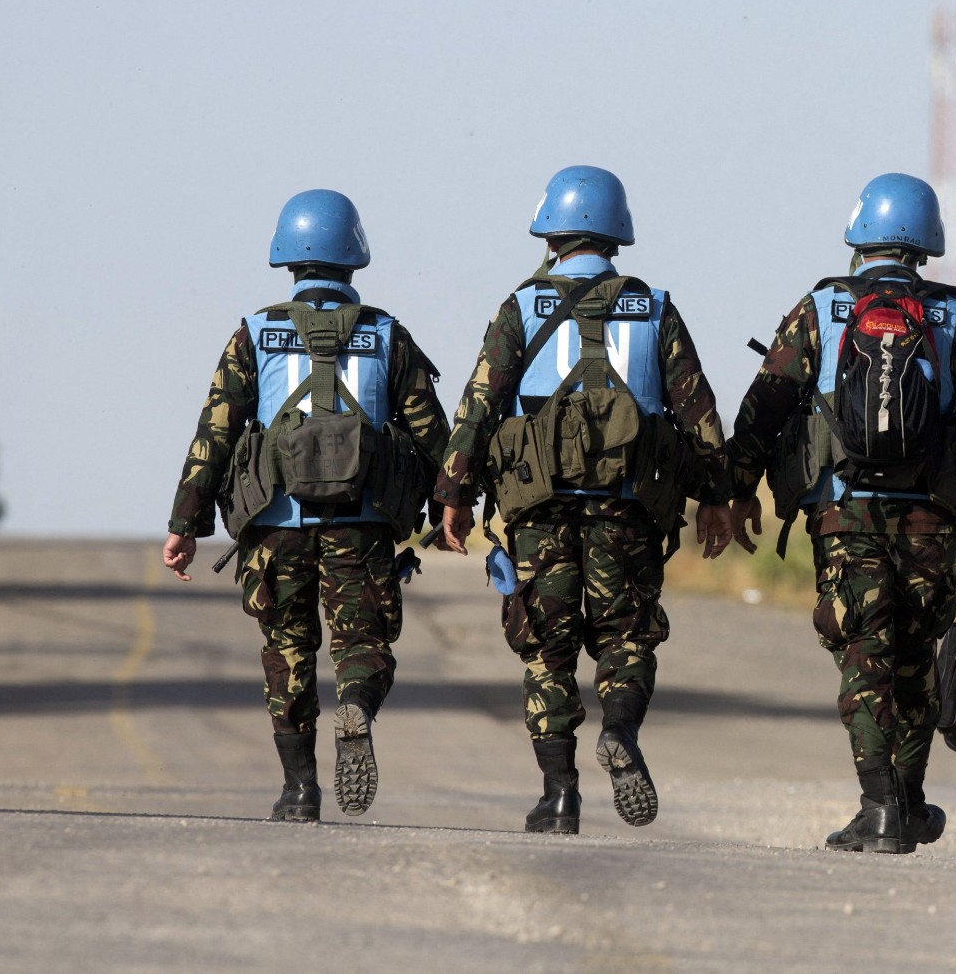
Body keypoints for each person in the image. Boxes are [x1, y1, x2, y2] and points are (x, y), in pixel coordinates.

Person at [725, 172, 956, 855]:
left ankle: (879, 807)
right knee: (913, 656)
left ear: (860, 233)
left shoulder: (823, 307)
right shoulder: (953, 315)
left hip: (844, 513)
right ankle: (909, 798)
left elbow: (766, 404)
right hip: (931, 518)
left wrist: (736, 487)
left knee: (863, 652)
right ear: (925, 239)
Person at [431, 165, 733, 835]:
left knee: (546, 646)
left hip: (540, 511)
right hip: (627, 507)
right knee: (627, 635)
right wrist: (719, 496)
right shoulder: (653, 308)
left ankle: (560, 793)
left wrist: (453, 494)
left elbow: (477, 409)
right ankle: (620, 729)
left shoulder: (519, 308)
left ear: (551, 230)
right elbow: (699, 414)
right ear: (616, 230)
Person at [162, 189, 449, 822]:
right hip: (363, 524)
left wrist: (186, 524)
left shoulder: (255, 334)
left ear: (287, 258)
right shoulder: (387, 336)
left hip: (275, 527)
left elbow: (214, 436)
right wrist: (449, 508)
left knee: (286, 648)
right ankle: (356, 705)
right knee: (363, 642)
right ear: (354, 257)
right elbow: (434, 439)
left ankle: (299, 790)